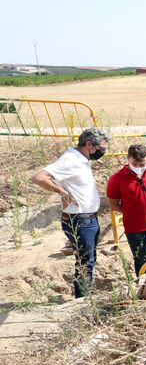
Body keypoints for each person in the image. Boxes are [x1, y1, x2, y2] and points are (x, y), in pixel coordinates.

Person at [30, 127, 111, 298]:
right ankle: (83, 302)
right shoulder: (70, 160)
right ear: (89, 144)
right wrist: (61, 192)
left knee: (88, 261)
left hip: (89, 219)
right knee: (84, 264)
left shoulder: (82, 159)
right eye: (101, 149)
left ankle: (84, 298)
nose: (102, 153)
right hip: (79, 220)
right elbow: (39, 178)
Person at [106, 144, 146, 277]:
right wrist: (131, 212)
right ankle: (145, 288)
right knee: (140, 260)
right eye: (135, 164)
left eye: (142, 164)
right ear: (128, 159)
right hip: (134, 228)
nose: (139, 167)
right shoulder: (117, 178)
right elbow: (113, 204)